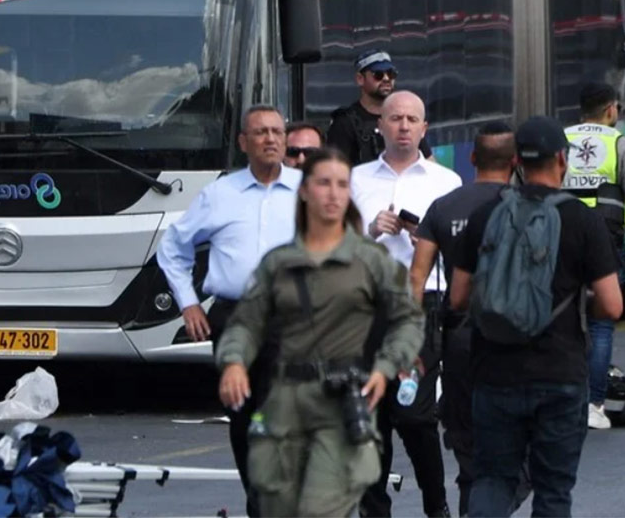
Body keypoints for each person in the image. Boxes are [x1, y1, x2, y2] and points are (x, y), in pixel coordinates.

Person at [216, 147, 425, 518]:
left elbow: (407, 320)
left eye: (342, 185)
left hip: (342, 401)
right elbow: (247, 322)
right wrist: (233, 362)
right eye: (323, 183)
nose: (333, 193)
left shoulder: (371, 261)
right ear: (304, 190)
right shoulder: (278, 263)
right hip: (284, 400)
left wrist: (386, 367)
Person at [450, 116, 622, 518]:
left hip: (493, 372)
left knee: (492, 479)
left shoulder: (485, 216)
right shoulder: (582, 218)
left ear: (516, 163)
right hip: (559, 374)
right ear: (562, 159)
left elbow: (458, 297)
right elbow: (612, 306)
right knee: (553, 491)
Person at [157, 105, 300, 516]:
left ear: (286, 139)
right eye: (260, 133)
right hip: (235, 316)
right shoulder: (220, 194)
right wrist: (187, 302)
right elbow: (173, 248)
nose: (270, 139)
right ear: (244, 143)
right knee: (242, 414)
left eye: (276, 131)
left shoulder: (308, 190)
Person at [351, 90, 459, 518]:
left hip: (423, 304)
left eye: (413, 119)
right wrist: (370, 229)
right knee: (369, 417)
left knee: (414, 414)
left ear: (424, 128)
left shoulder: (445, 181)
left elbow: (462, 250)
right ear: (380, 124)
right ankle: (374, 511)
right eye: (395, 118)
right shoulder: (356, 179)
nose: (403, 126)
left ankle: (436, 504)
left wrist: (426, 241)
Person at [411, 121, 527, 517]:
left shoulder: (445, 206)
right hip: (519, 343)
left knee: (469, 453)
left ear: (473, 158)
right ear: (514, 162)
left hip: (461, 340)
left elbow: (417, 277)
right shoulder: (534, 207)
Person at [562, 83, 625, 430]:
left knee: (562, 318)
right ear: (611, 110)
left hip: (561, 238)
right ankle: (593, 403)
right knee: (602, 321)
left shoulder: (561, 139)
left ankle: (564, 399)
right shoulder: (619, 143)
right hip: (604, 240)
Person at [326, 50, 433, 166]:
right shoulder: (345, 123)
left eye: (391, 74)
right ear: (360, 79)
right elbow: (334, 169)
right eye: (378, 74)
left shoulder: (406, 120)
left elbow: (430, 164)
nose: (386, 79)